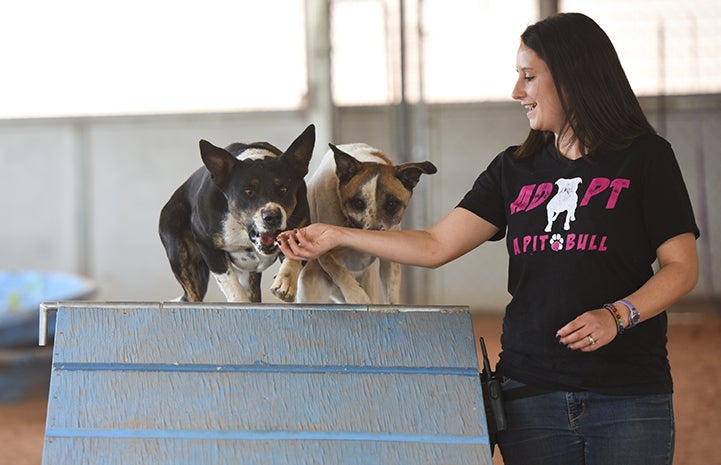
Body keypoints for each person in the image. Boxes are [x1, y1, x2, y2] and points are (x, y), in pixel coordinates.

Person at [278, 12, 699, 465]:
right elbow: (437, 245)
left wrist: (617, 316)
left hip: (627, 396)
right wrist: (336, 235)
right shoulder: (512, 168)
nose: (517, 91)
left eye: (528, 77)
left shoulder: (646, 158)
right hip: (530, 397)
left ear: (574, 77)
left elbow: (681, 267)